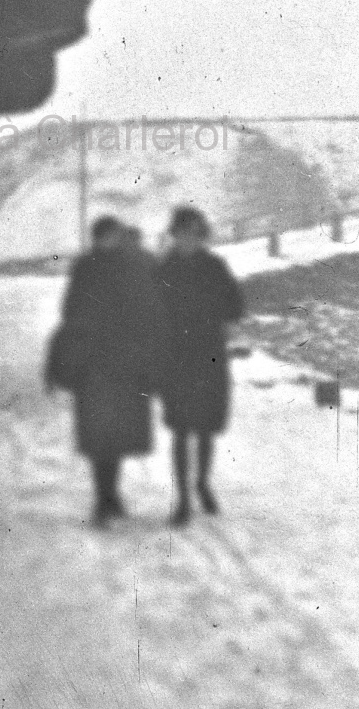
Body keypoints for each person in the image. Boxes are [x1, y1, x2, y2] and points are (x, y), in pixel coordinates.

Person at [43, 215, 167, 528]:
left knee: (109, 433)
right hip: (108, 362)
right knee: (106, 433)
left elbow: (71, 311)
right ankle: (105, 499)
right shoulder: (130, 264)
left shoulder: (98, 266)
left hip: (110, 362)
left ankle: (108, 497)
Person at [156, 206, 244, 524]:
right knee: (181, 429)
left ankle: (202, 484)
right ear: (175, 235)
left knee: (206, 427)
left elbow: (235, 303)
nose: (189, 239)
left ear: (201, 236)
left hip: (209, 356)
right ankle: (182, 500)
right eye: (183, 233)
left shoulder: (215, 267)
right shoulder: (164, 270)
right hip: (177, 359)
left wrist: (228, 319)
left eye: (195, 234)